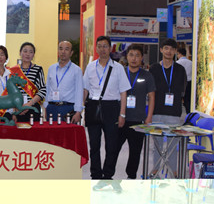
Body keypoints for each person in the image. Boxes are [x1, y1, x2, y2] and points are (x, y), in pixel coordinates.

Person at [83, 35, 131, 192]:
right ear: (96, 48)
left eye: (105, 46)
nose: (102, 49)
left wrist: (122, 114)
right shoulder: (90, 67)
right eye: (100, 46)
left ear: (110, 48)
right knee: (94, 145)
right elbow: (85, 89)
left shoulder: (118, 68)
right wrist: (81, 109)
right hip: (93, 107)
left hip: (111, 108)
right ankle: (96, 175)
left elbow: (123, 93)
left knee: (112, 145)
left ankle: (107, 175)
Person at [149, 38, 187, 178]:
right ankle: (155, 170)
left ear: (175, 51)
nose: (169, 51)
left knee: (172, 146)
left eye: (172, 49)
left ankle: (173, 171)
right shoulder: (154, 68)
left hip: (174, 113)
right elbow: (150, 91)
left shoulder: (180, 69)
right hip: (157, 112)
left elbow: (183, 89)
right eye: (166, 48)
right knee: (157, 145)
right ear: (161, 50)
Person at [117, 44, 156, 180]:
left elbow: (151, 97)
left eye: (137, 55)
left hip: (138, 120)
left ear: (141, 58)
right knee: (113, 149)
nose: (134, 58)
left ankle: (131, 177)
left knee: (135, 151)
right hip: (120, 119)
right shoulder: (120, 73)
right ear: (126, 57)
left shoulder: (147, 75)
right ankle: (108, 175)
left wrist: (149, 117)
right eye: (131, 55)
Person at [45, 40, 83, 124]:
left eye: (66, 49)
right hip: (51, 107)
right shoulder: (51, 68)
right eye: (61, 49)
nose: (63, 52)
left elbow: (79, 92)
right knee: (51, 132)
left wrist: (78, 111)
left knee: (67, 132)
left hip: (68, 108)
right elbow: (47, 88)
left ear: (71, 53)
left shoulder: (77, 70)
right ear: (58, 51)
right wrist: (46, 106)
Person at [12, 42, 46, 122]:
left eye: (31, 52)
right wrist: (15, 108)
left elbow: (43, 89)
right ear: (20, 53)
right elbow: (11, 92)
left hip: (33, 107)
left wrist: (29, 104)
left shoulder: (38, 69)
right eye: (25, 51)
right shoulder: (14, 70)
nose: (27, 54)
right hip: (18, 109)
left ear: (33, 54)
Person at [176, 47, 193, 114]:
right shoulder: (191, 63)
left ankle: (178, 113)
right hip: (189, 83)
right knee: (188, 101)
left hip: (180, 84)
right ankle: (189, 114)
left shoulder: (177, 63)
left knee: (178, 100)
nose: (177, 56)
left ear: (180, 54)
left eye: (177, 54)